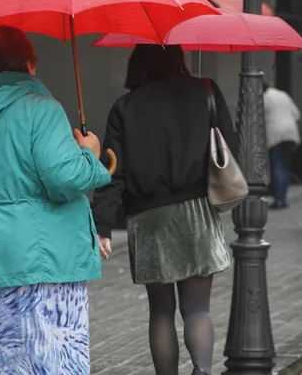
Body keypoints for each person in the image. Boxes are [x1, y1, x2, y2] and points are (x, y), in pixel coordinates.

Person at [0, 25, 111, 374]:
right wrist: (89, 154)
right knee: (50, 362)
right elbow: (64, 177)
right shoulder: (41, 109)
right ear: (30, 63)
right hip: (44, 262)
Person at [92, 45, 238, 375]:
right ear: (178, 58)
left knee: (160, 311)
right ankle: (201, 370)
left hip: (148, 219)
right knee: (198, 309)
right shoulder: (205, 91)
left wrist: (101, 226)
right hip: (197, 212)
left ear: (136, 64)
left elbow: (113, 172)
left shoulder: (124, 107)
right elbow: (230, 148)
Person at [263, 81, 300, 209]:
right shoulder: (283, 95)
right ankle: (283, 197)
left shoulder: (264, 98)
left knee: (277, 166)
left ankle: (279, 199)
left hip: (275, 135)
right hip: (291, 133)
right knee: (284, 166)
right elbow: (297, 114)